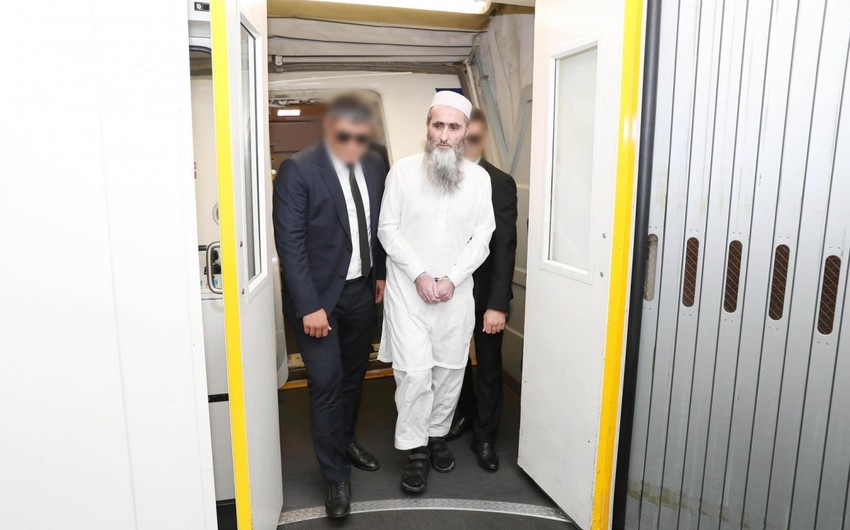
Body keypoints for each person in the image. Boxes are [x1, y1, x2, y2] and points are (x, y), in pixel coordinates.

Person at [273, 94, 387, 519]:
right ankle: (336, 476)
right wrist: (309, 306)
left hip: (361, 292)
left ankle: (346, 440)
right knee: (325, 383)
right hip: (318, 301)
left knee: (354, 377)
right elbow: (291, 244)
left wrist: (379, 274)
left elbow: (378, 225)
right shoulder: (299, 169)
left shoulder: (375, 163)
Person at [378, 91, 496, 493]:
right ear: (427, 128)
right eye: (437, 125)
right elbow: (388, 229)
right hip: (408, 294)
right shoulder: (402, 172)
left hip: (455, 295)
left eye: (453, 127)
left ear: (466, 132)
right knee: (413, 374)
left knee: (448, 370)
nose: (444, 135)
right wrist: (419, 275)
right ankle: (415, 452)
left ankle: (436, 436)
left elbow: (483, 237)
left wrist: (452, 279)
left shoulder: (479, 180)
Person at [445, 109, 518, 472]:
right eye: (462, 138)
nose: (466, 145)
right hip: (448, 293)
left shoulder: (499, 182)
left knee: (488, 364)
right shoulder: (441, 177)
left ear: (483, 139)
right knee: (453, 361)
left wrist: (497, 304)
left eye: (473, 139)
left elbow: (504, 246)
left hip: (485, 294)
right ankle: (465, 412)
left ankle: (485, 435)